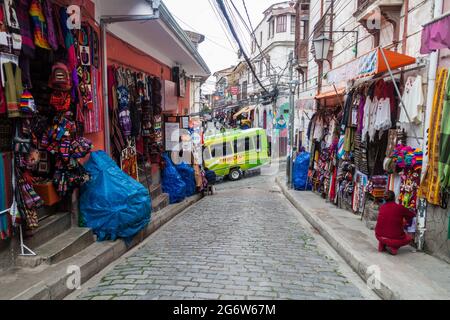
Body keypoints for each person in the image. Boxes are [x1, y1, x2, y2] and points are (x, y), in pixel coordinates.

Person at [375, 191, 416, 255]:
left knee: (386, 229)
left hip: (378, 235)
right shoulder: (400, 207)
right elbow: (412, 215)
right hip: (393, 238)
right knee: (408, 238)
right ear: (394, 198)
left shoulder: (382, 207)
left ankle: (382, 245)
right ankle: (393, 248)